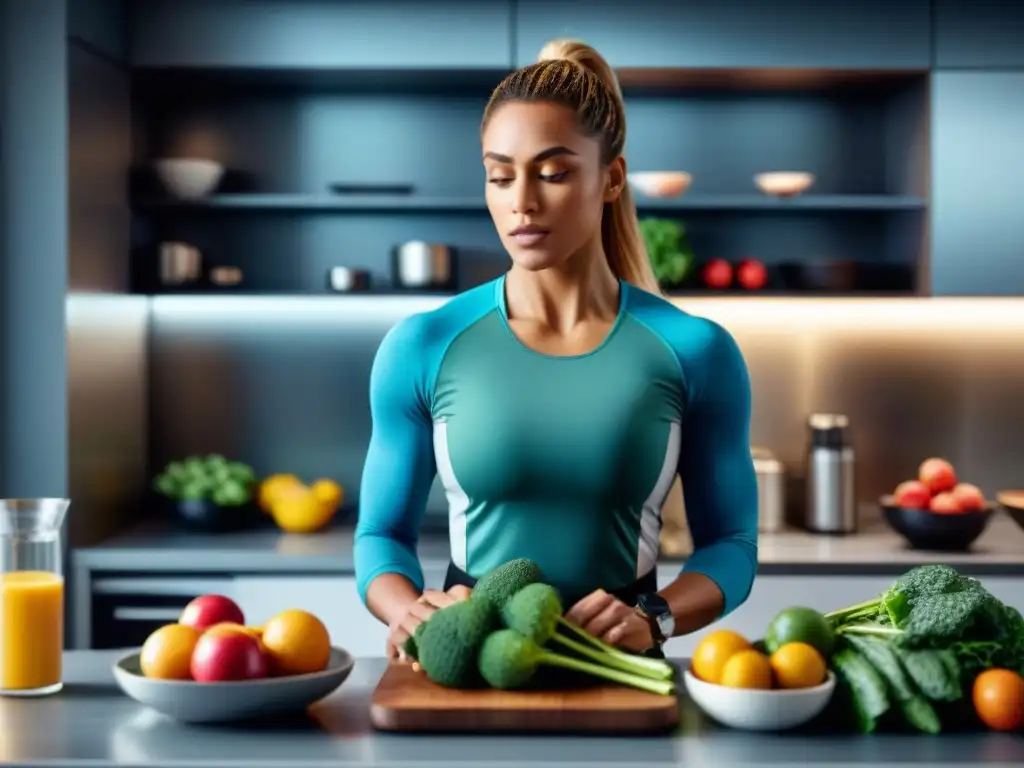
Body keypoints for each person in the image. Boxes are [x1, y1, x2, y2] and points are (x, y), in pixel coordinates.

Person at [354, 39, 758, 660]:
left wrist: (658, 616)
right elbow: (380, 535)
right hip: (470, 659)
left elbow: (731, 543)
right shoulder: (423, 344)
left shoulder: (695, 350)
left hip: (622, 669)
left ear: (611, 178)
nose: (522, 201)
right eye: (500, 175)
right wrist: (406, 607)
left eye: (552, 172)